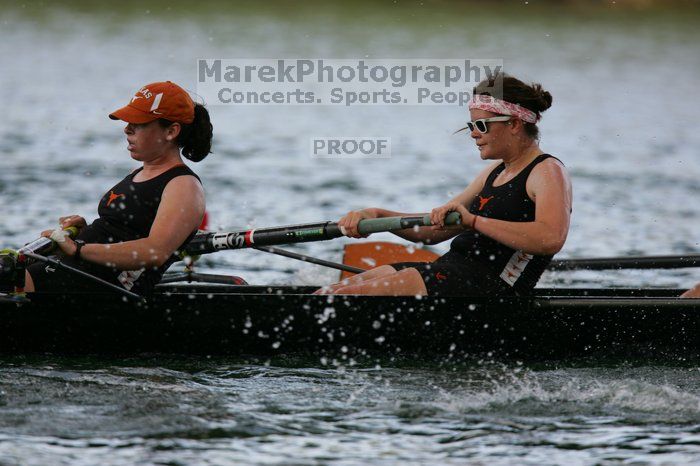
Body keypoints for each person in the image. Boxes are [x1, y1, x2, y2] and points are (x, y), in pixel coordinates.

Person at [317, 73, 572, 296]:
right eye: (471, 125)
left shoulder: (548, 172)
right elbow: (433, 232)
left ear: (515, 124)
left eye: (481, 125)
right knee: (329, 293)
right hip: (451, 272)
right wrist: (377, 215)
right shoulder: (494, 172)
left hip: (491, 291)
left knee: (341, 299)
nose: (474, 133)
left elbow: (550, 238)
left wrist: (472, 221)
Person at [24, 81, 212, 294]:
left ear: (171, 131)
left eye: (139, 123)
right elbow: (124, 232)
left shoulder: (184, 186)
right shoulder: (137, 174)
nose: (127, 129)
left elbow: (154, 252)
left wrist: (78, 249)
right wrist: (83, 232)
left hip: (109, 291)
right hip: (80, 273)